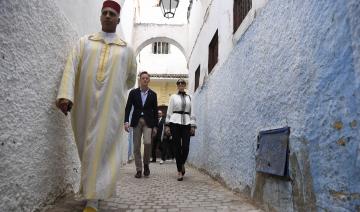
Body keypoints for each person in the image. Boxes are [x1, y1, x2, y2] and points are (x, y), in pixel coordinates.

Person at [56, 1, 137, 211]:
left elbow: (130, 79)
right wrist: (65, 95)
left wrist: (114, 88)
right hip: (84, 104)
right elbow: (72, 66)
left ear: (118, 20)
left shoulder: (127, 50)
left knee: (99, 147)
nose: (108, 16)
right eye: (105, 13)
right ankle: (93, 189)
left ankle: (93, 200)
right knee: (86, 147)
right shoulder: (85, 42)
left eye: (112, 14)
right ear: (100, 17)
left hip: (110, 108)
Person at [124, 71, 158, 178]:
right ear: (140, 80)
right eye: (143, 78)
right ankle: (139, 169)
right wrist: (126, 121)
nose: (145, 80)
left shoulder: (153, 94)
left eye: (147, 78)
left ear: (149, 80)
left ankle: (146, 164)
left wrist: (155, 126)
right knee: (136, 146)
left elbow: (155, 111)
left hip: (148, 122)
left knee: (147, 143)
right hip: (136, 121)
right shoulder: (133, 93)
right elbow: (128, 107)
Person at [165, 79, 196, 181]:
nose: (181, 85)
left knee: (186, 147)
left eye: (183, 84)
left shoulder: (189, 97)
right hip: (175, 122)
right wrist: (167, 125)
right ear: (177, 86)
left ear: (185, 85)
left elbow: (192, 112)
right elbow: (169, 110)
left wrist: (192, 125)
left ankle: (182, 163)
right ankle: (179, 171)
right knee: (177, 146)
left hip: (186, 122)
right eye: (179, 84)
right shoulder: (173, 97)